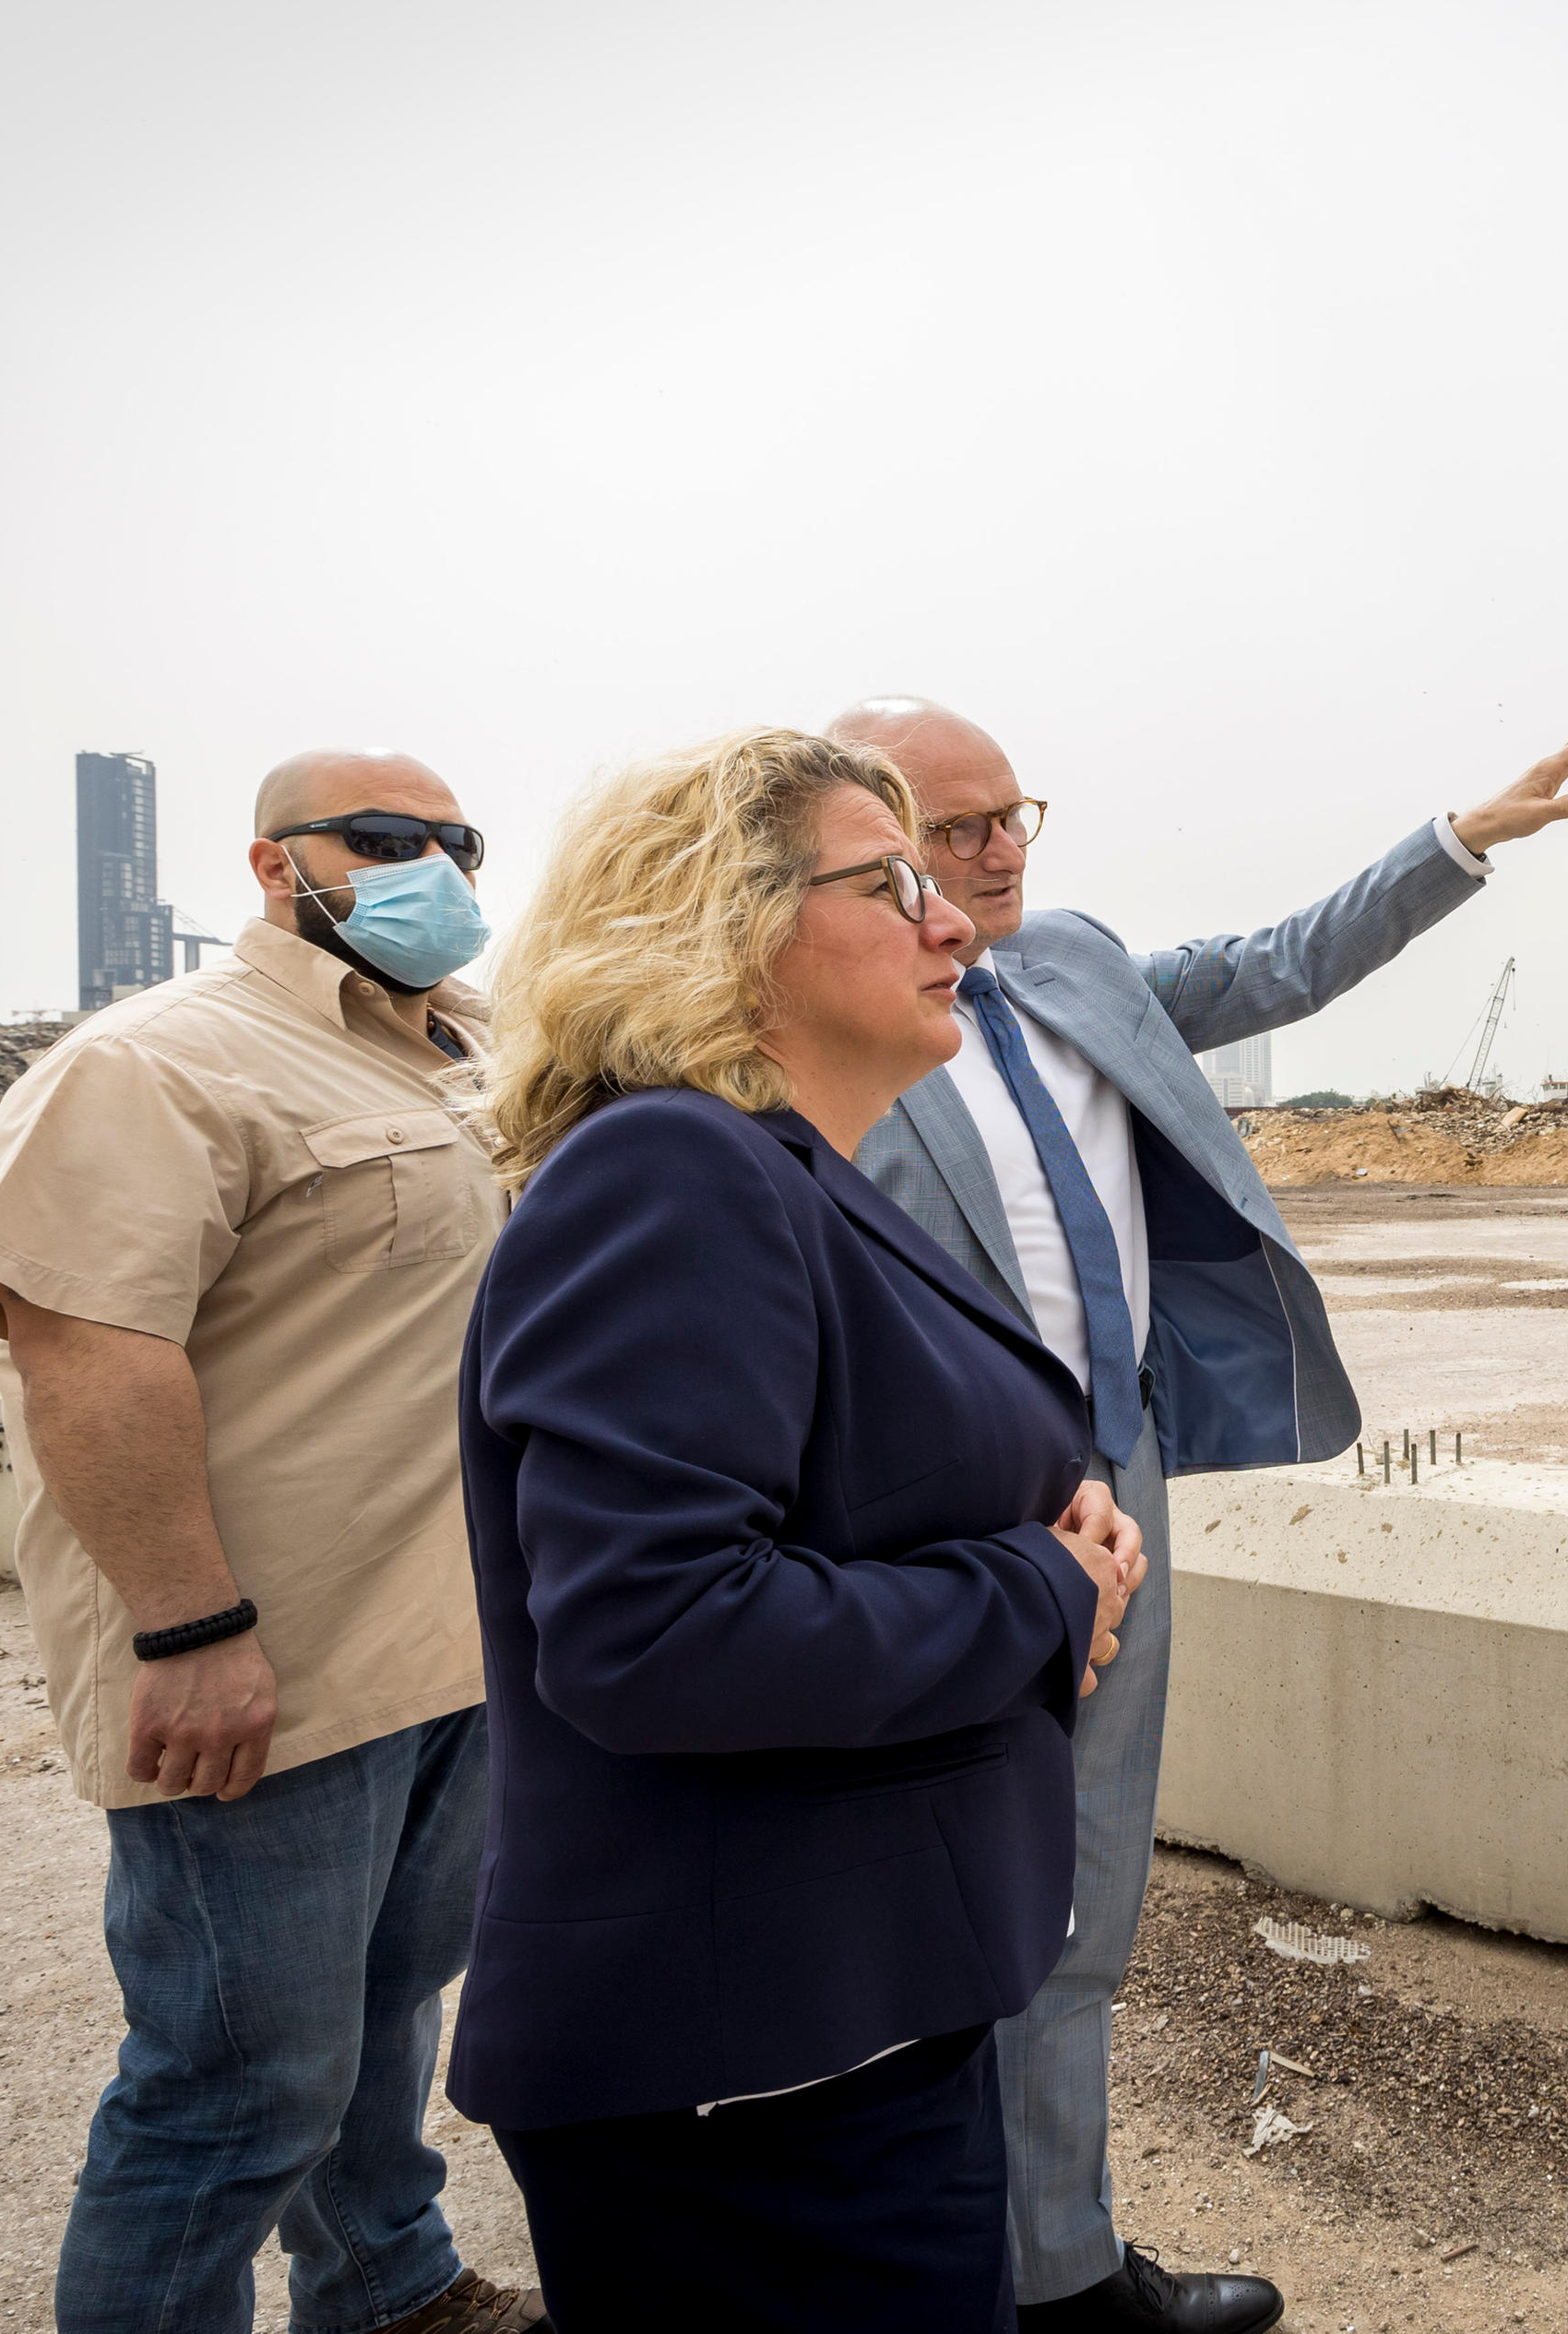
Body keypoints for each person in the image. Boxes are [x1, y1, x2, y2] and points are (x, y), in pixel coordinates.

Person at [826, 697, 1568, 2334]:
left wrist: (1459, 841)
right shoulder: (810, 1031)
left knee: (1085, 1897)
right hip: (934, 1530)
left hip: (1121, 1492)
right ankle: (924, 2272)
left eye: (1011, 817)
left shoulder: (1075, 967)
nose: (996, 855)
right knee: (917, 1915)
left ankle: (1056, 2270)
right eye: (952, 830)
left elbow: (1278, 965)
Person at [452, 727, 1144, 2328]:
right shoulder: (670, 1171)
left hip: (841, 2025)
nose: (955, 918)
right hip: (752, 2083)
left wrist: (1038, 1507)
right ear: (725, 918)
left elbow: (839, 1481)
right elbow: (658, 1634)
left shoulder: (781, 1170)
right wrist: (1038, 1583)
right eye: (893, 880)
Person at [0, 752, 540, 2334]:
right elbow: (88, 1351)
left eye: (454, 841)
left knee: (388, 2009)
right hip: (272, 1664)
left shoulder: (466, 1052)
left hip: (452, 1645)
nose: (433, 866)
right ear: (276, 867)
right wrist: (191, 1628)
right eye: (385, 841)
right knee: (234, 2084)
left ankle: (388, 2287)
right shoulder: (160, 1062)